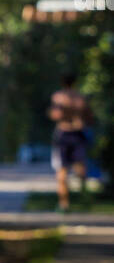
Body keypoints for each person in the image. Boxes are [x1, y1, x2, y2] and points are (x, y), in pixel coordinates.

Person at [48, 73, 91, 211]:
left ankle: (64, 204)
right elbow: (89, 116)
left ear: (62, 83)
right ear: (75, 82)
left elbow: (56, 115)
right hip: (78, 133)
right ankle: (85, 198)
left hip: (63, 133)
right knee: (81, 167)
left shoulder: (58, 97)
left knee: (62, 170)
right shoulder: (80, 98)